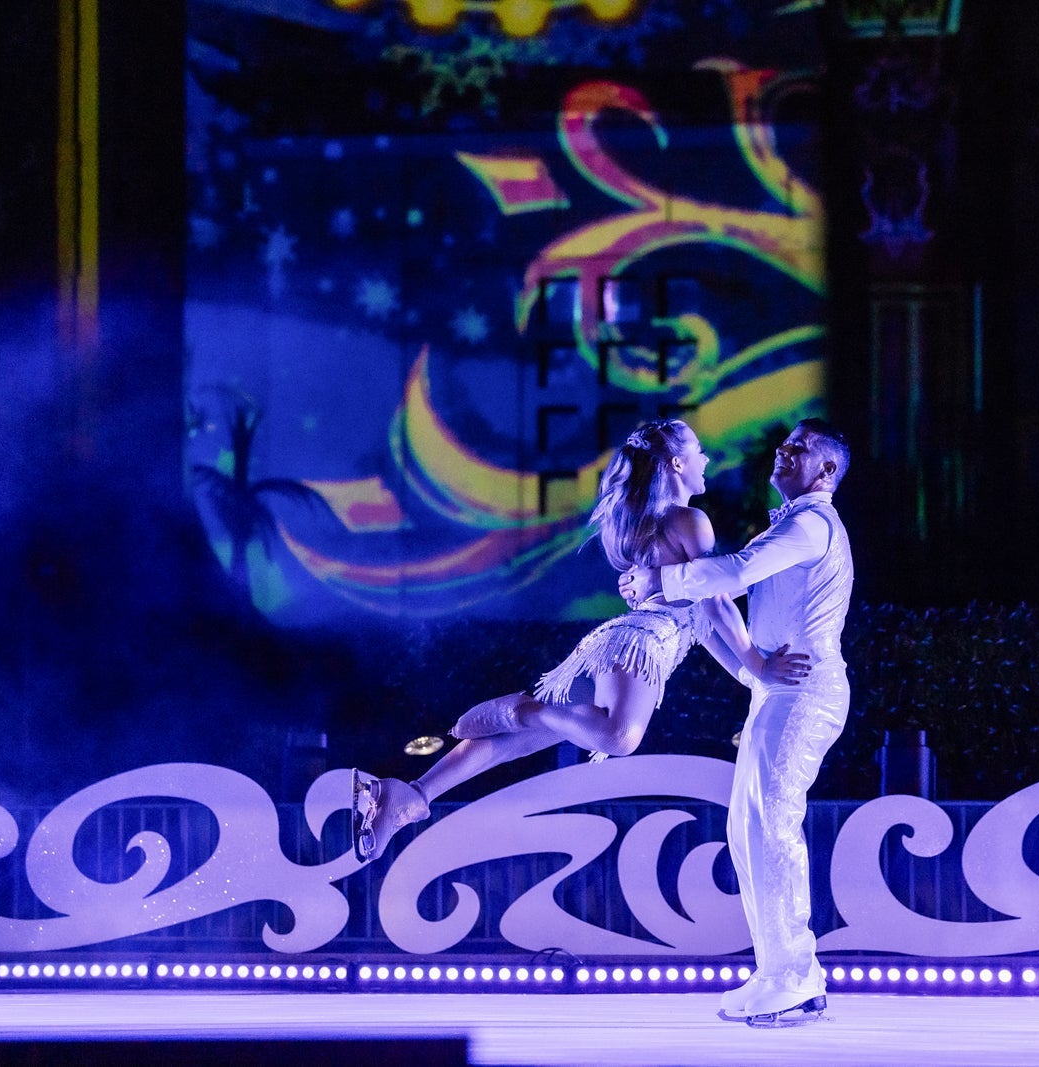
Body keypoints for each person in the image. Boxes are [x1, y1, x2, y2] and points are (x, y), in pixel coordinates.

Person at [350, 417, 808, 864]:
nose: (707, 459)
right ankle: (526, 708)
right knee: (618, 737)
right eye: (698, 451)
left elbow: (704, 625)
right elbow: (715, 602)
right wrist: (760, 665)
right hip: (639, 649)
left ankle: (409, 795)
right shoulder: (691, 521)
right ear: (675, 464)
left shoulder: (651, 522)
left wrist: (750, 676)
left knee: (524, 741)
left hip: (619, 644)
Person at [620, 417, 853, 1028]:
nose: (785, 449)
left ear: (826, 471)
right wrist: (752, 672)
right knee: (748, 826)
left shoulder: (811, 524)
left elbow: (740, 572)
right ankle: (779, 971)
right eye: (786, 443)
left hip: (806, 689)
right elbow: (725, 610)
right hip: (781, 688)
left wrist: (662, 577)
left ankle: (797, 977)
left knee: (772, 821)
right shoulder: (793, 524)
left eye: (800, 448)